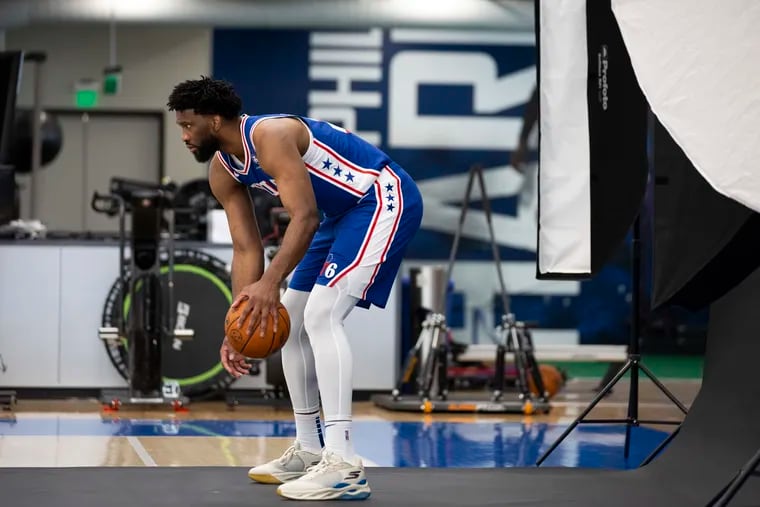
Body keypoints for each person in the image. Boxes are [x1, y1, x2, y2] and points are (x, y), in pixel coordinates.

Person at [167, 76, 423, 501]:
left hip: (380, 197)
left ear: (214, 121)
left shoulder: (271, 136)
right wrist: (240, 317)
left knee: (321, 314)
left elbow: (302, 217)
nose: (184, 136)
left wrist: (269, 283)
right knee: (287, 318)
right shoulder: (222, 170)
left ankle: (343, 463)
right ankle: (309, 448)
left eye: (188, 125)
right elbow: (246, 247)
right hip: (338, 216)